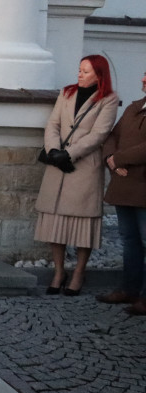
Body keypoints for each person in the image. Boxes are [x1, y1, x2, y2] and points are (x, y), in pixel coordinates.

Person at [35, 55, 118, 296]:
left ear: (98, 75)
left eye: (86, 71)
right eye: (79, 70)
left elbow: (99, 134)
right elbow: (53, 124)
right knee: (56, 221)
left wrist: (69, 154)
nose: (80, 75)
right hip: (56, 163)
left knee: (83, 223)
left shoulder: (108, 100)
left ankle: (79, 272)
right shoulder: (66, 93)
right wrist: (53, 151)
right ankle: (59, 271)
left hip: (83, 167)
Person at [97, 69, 146, 315]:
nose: (143, 79)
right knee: (130, 240)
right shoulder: (134, 107)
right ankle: (129, 289)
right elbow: (111, 137)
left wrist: (120, 159)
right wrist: (110, 158)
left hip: (143, 186)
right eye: (144, 74)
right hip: (123, 184)